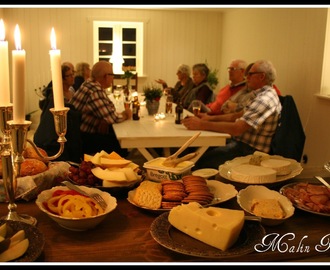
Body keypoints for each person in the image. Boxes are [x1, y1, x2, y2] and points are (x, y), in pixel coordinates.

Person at [182, 60, 282, 170]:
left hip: (250, 151)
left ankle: (197, 184)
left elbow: (237, 129)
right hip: (240, 143)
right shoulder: (259, 95)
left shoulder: (264, 100)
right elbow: (235, 116)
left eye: (250, 74)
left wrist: (202, 124)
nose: (246, 77)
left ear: (262, 76)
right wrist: (210, 118)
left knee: (199, 160)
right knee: (196, 150)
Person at [70, 60, 132, 157]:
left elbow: (108, 110)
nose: (113, 78)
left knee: (114, 134)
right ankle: (116, 167)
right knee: (118, 143)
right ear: (106, 76)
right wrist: (126, 114)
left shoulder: (89, 84)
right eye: (112, 75)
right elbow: (113, 118)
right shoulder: (95, 90)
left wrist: (104, 119)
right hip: (83, 139)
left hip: (77, 134)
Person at [34, 63, 83, 163]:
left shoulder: (72, 90)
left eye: (73, 74)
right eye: (69, 75)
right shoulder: (55, 96)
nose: (73, 77)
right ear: (62, 78)